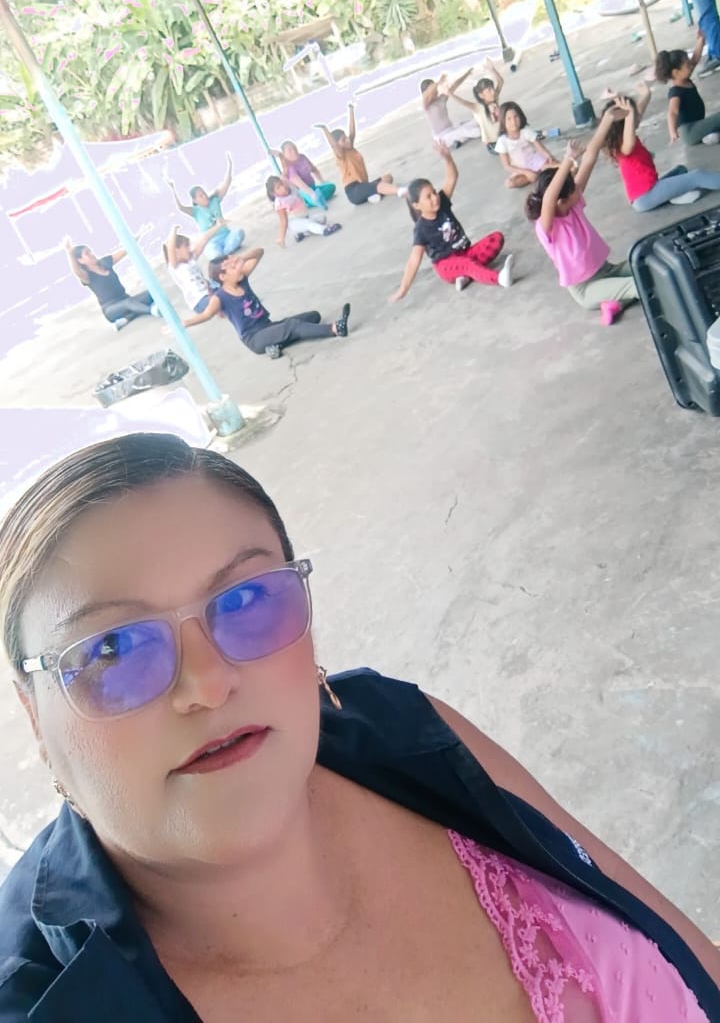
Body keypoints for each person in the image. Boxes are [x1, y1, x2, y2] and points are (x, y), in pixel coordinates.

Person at [0, 433, 717, 1022]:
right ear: (34, 713)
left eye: (246, 599)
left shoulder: (404, 727)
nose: (209, 683)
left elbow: (669, 934)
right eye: (112, 650)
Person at [526, 107, 639, 326]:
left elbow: (590, 158)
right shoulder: (546, 227)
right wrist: (567, 160)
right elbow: (548, 199)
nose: (579, 191)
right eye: (574, 191)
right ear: (561, 202)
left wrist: (607, 120)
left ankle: (614, 304)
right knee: (639, 283)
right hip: (586, 289)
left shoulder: (572, 204)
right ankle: (614, 300)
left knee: (645, 262)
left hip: (606, 271)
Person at [390, 144, 514, 301]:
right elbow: (414, 260)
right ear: (417, 205)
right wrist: (403, 288)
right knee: (467, 264)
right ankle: (499, 278)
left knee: (496, 238)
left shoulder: (442, 203)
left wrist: (448, 159)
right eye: (428, 197)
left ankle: (465, 276)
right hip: (446, 266)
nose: (435, 197)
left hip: (465, 252)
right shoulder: (421, 229)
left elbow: (451, 178)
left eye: (434, 192)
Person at [183, 248, 350, 359]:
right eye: (233, 268)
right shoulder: (220, 297)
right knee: (292, 326)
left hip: (268, 326)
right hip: (254, 338)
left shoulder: (242, 279)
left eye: (237, 265)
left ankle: (275, 345)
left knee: (313, 316)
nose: (238, 268)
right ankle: (335, 329)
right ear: (222, 276)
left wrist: (241, 258)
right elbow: (206, 315)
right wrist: (185, 323)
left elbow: (259, 252)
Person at [601, 86, 720, 212]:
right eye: (632, 115)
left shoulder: (624, 137)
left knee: (681, 170)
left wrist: (646, 94)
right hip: (645, 197)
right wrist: (629, 112)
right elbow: (630, 135)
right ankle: (674, 196)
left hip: (649, 190)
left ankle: (674, 196)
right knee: (697, 176)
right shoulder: (623, 146)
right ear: (626, 122)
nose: (637, 117)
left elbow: (638, 113)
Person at [63, 230, 159, 329]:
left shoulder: (105, 262)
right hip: (111, 309)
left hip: (126, 299)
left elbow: (124, 251)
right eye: (87, 253)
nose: (91, 254)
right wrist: (69, 252)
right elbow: (76, 271)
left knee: (150, 293)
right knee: (129, 304)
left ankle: (126, 318)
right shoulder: (87, 276)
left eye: (90, 251)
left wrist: (136, 237)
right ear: (81, 260)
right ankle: (151, 311)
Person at [315, 103, 407, 206]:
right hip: (354, 190)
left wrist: (351, 110)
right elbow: (334, 145)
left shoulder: (351, 148)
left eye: (346, 137)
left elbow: (352, 131)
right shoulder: (341, 155)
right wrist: (325, 129)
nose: (347, 140)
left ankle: (374, 195)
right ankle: (402, 191)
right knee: (378, 186)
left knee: (388, 177)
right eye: (343, 140)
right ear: (339, 145)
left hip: (363, 185)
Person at [165, 154, 245, 259]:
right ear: (195, 200)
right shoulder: (195, 211)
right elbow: (180, 207)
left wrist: (230, 164)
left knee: (239, 232)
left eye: (204, 193)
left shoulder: (215, 201)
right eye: (200, 196)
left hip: (226, 236)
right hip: (211, 241)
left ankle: (225, 253)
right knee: (214, 253)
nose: (204, 196)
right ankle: (226, 252)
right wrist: (172, 189)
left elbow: (227, 183)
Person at [655, 33, 720, 147]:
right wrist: (672, 132)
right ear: (676, 72)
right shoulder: (675, 91)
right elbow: (672, 112)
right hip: (690, 132)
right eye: (687, 65)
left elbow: (695, 59)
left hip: (698, 125)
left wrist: (701, 40)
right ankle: (707, 135)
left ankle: (709, 136)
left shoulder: (684, 78)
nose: (691, 65)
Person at [439, 59, 505, 152]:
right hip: (493, 144)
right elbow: (462, 102)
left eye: (493, 89)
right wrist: (450, 94)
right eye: (489, 91)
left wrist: (492, 69)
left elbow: (501, 81)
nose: (493, 92)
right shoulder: (478, 108)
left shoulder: (494, 99)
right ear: (481, 95)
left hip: (502, 136)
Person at [162, 223, 223, 315]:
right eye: (186, 246)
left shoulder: (191, 259)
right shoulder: (175, 267)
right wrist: (174, 230)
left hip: (210, 291)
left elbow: (204, 239)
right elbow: (170, 248)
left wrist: (218, 226)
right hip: (199, 301)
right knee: (221, 299)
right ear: (176, 251)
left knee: (231, 288)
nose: (189, 249)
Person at [495, 102, 559, 188]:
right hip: (520, 169)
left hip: (536, 162)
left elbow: (540, 147)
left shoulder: (525, 131)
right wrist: (526, 172)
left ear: (520, 117)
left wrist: (549, 156)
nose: (513, 122)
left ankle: (543, 172)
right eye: (509, 119)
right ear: (503, 121)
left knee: (555, 165)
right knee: (509, 183)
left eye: (516, 117)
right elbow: (507, 166)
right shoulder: (502, 141)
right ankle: (540, 174)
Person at [265, 176, 342, 246]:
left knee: (322, 218)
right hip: (292, 224)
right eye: (278, 188)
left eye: (281, 183)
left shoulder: (292, 188)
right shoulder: (279, 203)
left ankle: (304, 233)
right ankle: (324, 230)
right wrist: (281, 238)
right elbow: (283, 221)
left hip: (304, 218)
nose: (282, 187)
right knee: (310, 224)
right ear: (274, 193)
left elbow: (286, 175)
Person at [419, 69, 483, 148]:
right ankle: (459, 139)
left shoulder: (441, 99)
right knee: (473, 131)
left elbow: (455, 85)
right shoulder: (426, 105)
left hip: (452, 130)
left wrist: (467, 74)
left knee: (475, 121)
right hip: (442, 138)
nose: (435, 90)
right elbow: (426, 94)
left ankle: (459, 140)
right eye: (433, 88)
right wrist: (439, 81)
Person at [272, 141, 336, 211]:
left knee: (331, 187)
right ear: (285, 155)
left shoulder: (302, 157)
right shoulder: (289, 167)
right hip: (303, 192)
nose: (294, 151)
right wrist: (311, 193)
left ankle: (314, 198)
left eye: (294, 148)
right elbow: (298, 182)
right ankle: (310, 200)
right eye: (290, 151)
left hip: (313, 187)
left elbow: (314, 169)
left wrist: (322, 181)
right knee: (314, 197)